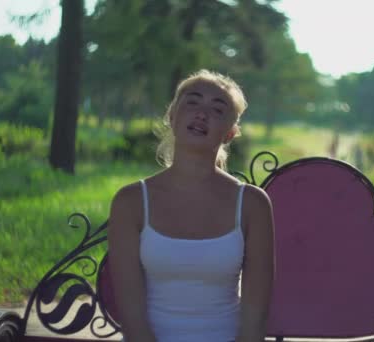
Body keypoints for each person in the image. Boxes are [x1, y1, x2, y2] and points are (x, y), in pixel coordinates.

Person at [108, 69, 275, 342]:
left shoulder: (252, 204)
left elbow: (254, 321)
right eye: (193, 102)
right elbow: (132, 317)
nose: (202, 113)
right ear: (172, 117)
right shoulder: (131, 202)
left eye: (218, 109)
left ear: (230, 134)